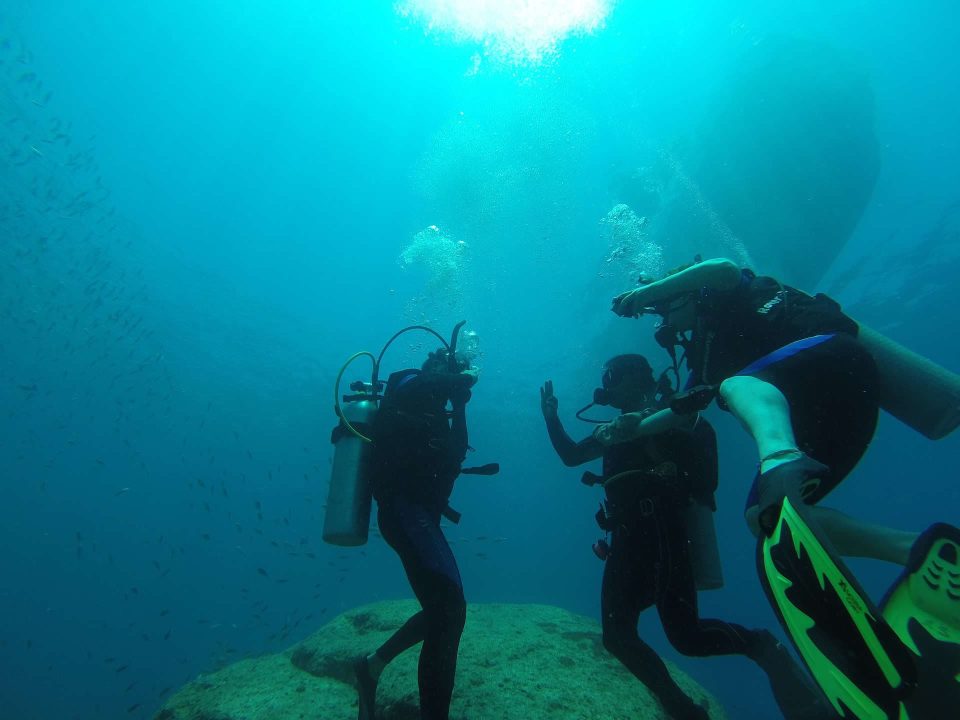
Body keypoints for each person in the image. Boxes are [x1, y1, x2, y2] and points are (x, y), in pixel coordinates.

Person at [603, 257, 959, 718]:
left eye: (668, 310)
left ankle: (778, 457)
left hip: (830, 359)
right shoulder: (705, 355)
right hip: (834, 414)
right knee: (768, 520)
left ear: (686, 295)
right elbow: (687, 411)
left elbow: (723, 266)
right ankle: (916, 551)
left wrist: (643, 295)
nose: (665, 323)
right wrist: (636, 428)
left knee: (736, 385)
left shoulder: (728, 292)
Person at [540, 354, 829, 720]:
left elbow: (704, 474)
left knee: (686, 638)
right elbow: (571, 456)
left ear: (638, 378)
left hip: (663, 533)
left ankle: (761, 645)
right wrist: (551, 417)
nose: (607, 384)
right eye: (606, 376)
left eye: (613, 376)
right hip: (626, 540)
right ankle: (683, 709)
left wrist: (652, 431)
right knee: (617, 637)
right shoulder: (614, 430)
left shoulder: (673, 414)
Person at [353, 347, 479, 720]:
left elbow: (457, 453)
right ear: (432, 367)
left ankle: (371, 667)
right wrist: (457, 379)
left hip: (419, 518)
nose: (448, 374)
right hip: (406, 513)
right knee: (451, 610)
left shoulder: (438, 412)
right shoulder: (407, 381)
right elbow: (419, 383)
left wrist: (461, 406)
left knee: (443, 611)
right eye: (443, 367)